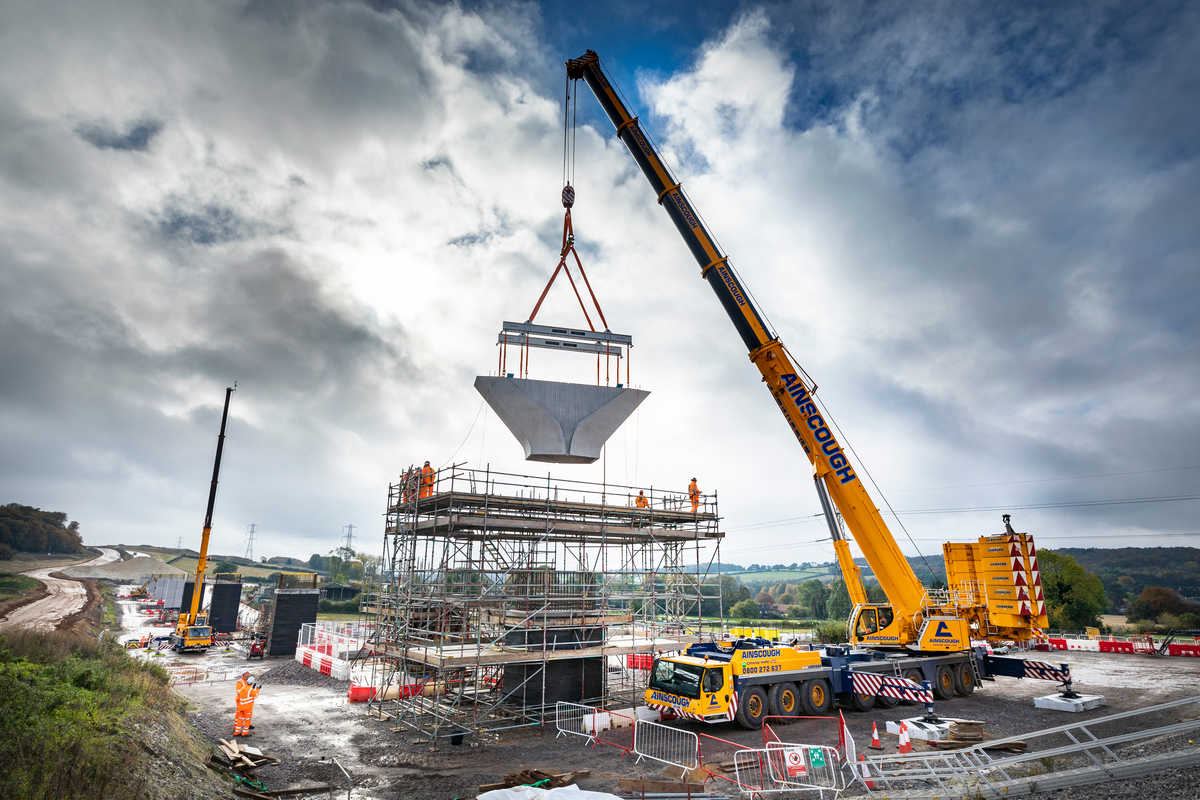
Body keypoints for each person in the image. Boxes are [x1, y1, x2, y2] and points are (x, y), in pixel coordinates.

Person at [234, 670, 260, 736]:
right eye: (246, 673)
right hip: (242, 702)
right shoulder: (240, 682)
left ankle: (237, 730)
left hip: (242, 703)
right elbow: (239, 691)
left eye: (248, 673)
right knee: (242, 716)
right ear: (243, 674)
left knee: (241, 717)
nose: (248, 674)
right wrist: (256, 690)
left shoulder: (246, 682)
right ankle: (241, 729)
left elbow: (246, 690)